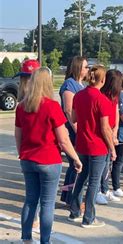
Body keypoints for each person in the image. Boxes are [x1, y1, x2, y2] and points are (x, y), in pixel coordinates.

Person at [15, 68, 82, 244]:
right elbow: (64, 140)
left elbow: (18, 136)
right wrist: (75, 158)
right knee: (47, 204)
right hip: (49, 160)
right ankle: (45, 241)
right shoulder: (52, 106)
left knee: (30, 200)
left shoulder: (21, 106)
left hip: (28, 159)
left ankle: (26, 238)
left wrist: (21, 153)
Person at [68, 65, 116, 228]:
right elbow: (105, 128)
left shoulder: (78, 96)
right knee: (94, 182)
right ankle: (89, 218)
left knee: (81, 178)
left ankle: (74, 211)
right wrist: (113, 148)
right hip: (98, 146)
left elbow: (73, 118)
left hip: (82, 144)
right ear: (103, 80)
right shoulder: (103, 100)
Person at [13, 59, 41, 232]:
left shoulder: (24, 103)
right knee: (38, 195)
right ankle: (36, 222)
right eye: (24, 78)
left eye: (27, 78)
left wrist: (21, 152)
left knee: (32, 195)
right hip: (38, 155)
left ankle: (33, 223)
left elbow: (18, 133)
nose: (24, 81)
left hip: (29, 154)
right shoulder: (24, 103)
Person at [59, 56, 88, 206]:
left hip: (80, 130)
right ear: (78, 68)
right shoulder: (69, 85)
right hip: (72, 131)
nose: (88, 70)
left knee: (73, 166)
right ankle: (71, 197)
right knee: (76, 165)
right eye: (85, 67)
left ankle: (66, 196)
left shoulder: (81, 85)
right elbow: (68, 110)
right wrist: (78, 131)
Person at [96, 69, 122, 205]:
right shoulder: (102, 96)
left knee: (108, 164)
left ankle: (105, 189)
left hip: (111, 130)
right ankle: (99, 191)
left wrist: (115, 130)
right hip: (103, 132)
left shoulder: (115, 97)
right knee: (103, 164)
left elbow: (116, 113)